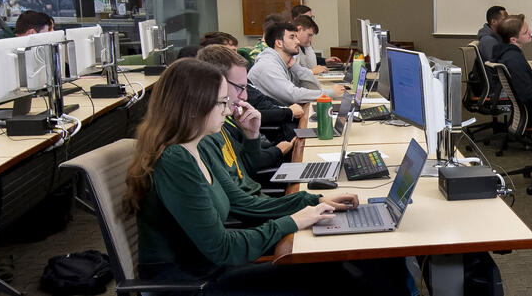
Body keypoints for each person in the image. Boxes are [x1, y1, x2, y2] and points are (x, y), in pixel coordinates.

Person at [123, 59, 408, 293]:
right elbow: (223, 249)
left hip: (210, 265)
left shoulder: (197, 147)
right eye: (222, 103)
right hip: (195, 282)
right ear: (195, 107)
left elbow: (242, 204)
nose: (230, 109)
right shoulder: (175, 161)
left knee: (344, 263)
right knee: (337, 277)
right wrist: (295, 220)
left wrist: (315, 201)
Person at [196, 45, 305, 170]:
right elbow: (246, 169)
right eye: (239, 87)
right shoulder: (210, 130)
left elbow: (245, 164)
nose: (245, 96)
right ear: (218, 84)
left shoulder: (229, 117)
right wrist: (277, 150)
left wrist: (252, 135)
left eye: (246, 88)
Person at [247, 22, 345, 106]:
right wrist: (331, 93)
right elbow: (293, 95)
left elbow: (314, 88)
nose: (297, 41)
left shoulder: (285, 63)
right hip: (276, 122)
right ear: (279, 43)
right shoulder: (268, 66)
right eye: (292, 37)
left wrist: (296, 68)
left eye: (296, 37)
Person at [489, 14, 532, 105]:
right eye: (525, 32)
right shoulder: (514, 59)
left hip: (531, 105)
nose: (530, 32)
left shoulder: (507, 54)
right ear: (513, 40)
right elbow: (528, 95)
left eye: (528, 28)